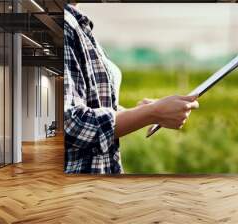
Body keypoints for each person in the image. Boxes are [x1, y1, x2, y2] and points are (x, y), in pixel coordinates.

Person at [64, 4, 199, 174]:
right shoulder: (65, 26)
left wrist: (141, 112)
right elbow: (70, 124)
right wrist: (152, 113)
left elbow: (92, 105)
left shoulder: (78, 25)